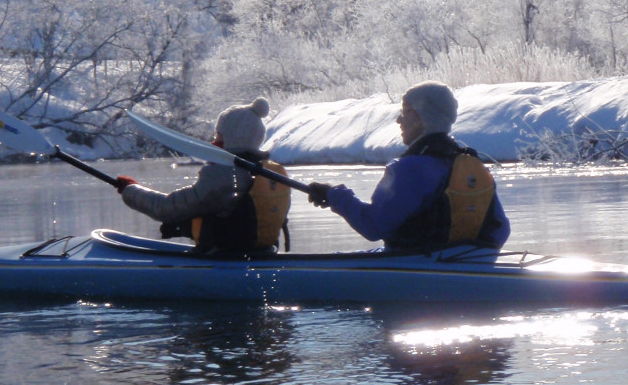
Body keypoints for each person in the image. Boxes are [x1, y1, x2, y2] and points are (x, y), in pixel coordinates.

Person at [307, 81, 509, 253]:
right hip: (468, 263)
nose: (399, 120)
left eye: (406, 111)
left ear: (424, 117)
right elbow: (501, 231)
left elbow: (373, 226)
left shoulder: (408, 169)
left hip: (415, 268)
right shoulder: (473, 165)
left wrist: (335, 195)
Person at [116, 97, 290, 259]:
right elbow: (229, 214)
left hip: (225, 261)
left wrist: (130, 190)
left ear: (231, 138)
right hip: (261, 255)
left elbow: (167, 208)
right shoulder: (266, 173)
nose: (214, 142)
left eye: (218, 136)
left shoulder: (224, 175)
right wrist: (184, 226)